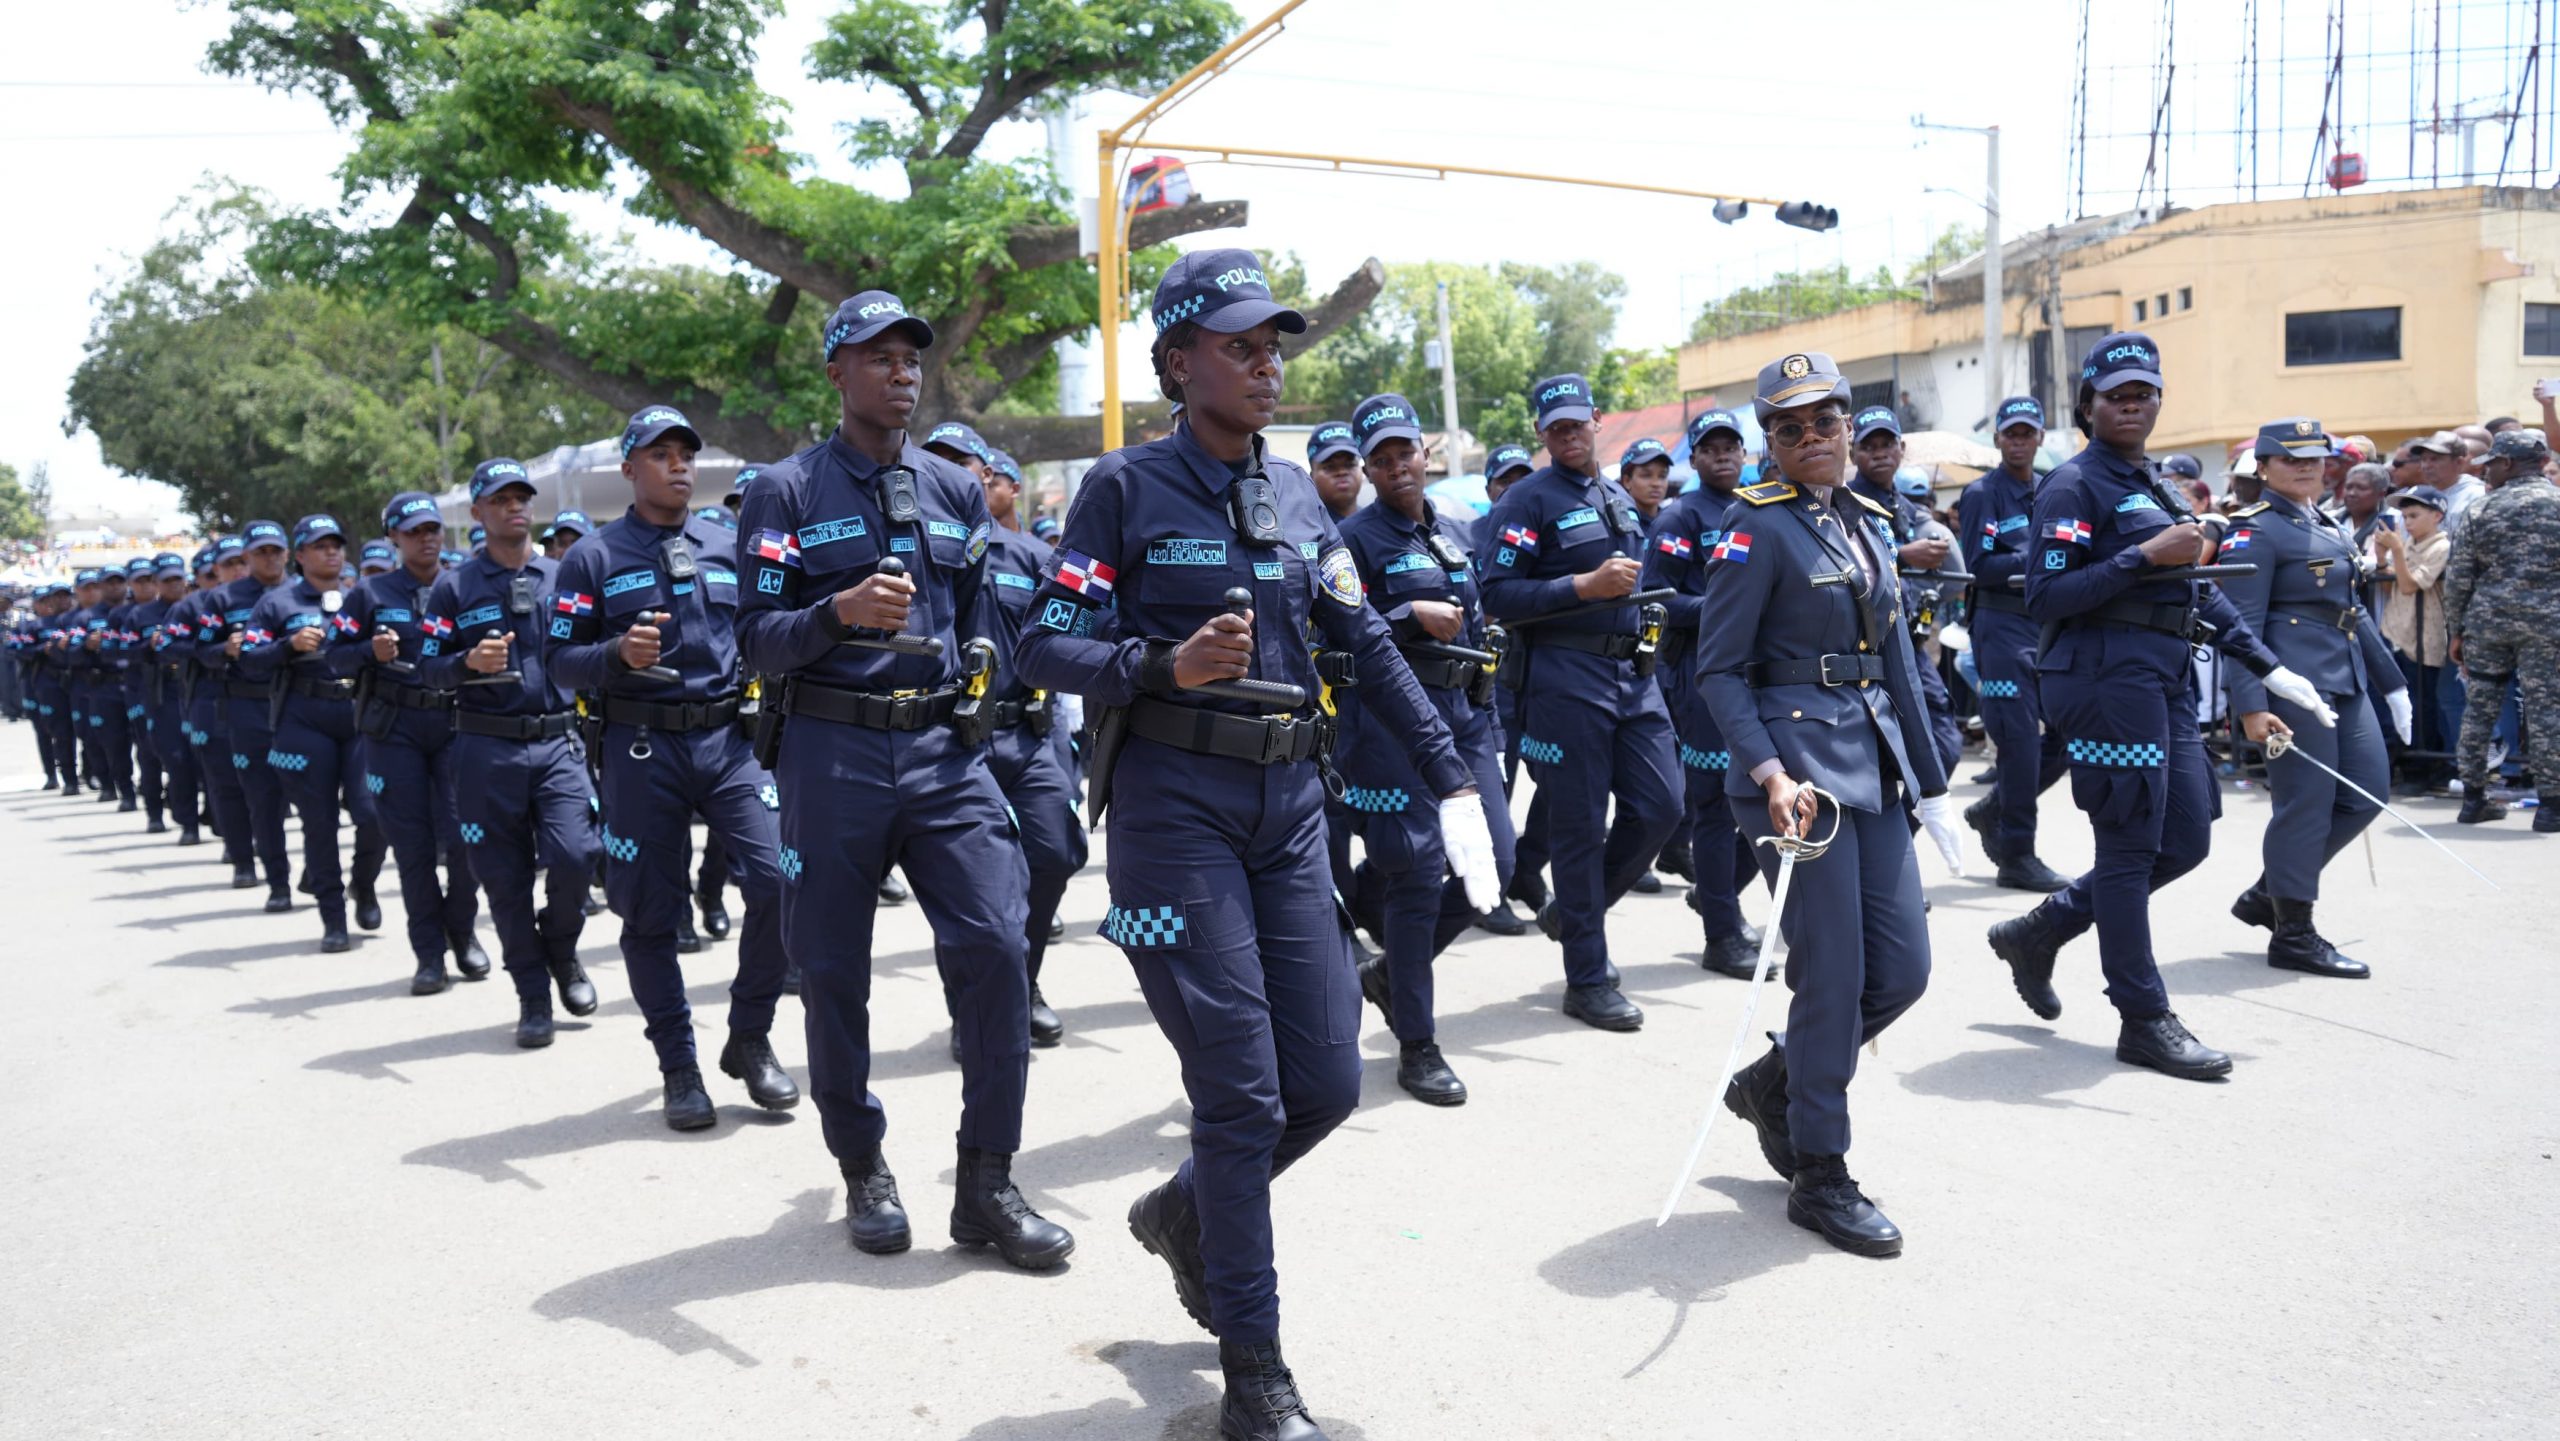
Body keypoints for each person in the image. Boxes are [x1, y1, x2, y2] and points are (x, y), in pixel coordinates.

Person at [1014, 250, 1493, 1441]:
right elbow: (1042, 646)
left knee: (1325, 1084)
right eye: (1241, 343)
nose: (1267, 361)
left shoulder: (1292, 492)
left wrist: (1453, 781)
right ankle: (1255, 1376)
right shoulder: (1122, 491)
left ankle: (1184, 1216)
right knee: (1240, 1094)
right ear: (1179, 362)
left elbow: (1368, 643)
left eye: (1274, 343)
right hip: (1175, 821)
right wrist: (1156, 664)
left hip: (1291, 818)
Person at [734, 288, 1072, 1271]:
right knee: (834, 975)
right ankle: (862, 1167)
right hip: (830, 755)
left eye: (910, 357)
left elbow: (977, 607)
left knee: (998, 946)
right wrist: (836, 611)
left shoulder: (956, 489)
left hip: (941, 753)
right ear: (836, 372)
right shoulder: (784, 492)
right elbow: (754, 642)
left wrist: (974, 670)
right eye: (877, 357)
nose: (901, 372)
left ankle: (987, 1182)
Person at [1985, 333, 2333, 1080]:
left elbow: (2197, 590)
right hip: (2107, 681)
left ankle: (2043, 928)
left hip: (2163, 676)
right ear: (2089, 406)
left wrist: (2267, 667)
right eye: (2118, 395)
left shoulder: (2148, 482)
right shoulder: (2074, 485)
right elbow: (2045, 594)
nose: (2134, 404)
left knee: (2187, 833)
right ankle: (2142, 1016)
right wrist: (2142, 555)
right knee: (2130, 848)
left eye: (2145, 393)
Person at [1694, 351, 1963, 1258]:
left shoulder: (1867, 521)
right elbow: (1718, 670)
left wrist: (1931, 786)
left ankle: (1776, 1080)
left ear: (1851, 426)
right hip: (1798, 781)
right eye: (1788, 426)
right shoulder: (1753, 528)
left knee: (1904, 970)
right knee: (1835, 972)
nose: (1810, 437)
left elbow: (1891, 662)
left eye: (1825, 421)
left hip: (1873, 764)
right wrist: (1769, 772)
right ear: (1770, 441)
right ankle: (1821, 1169)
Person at [545, 406, 799, 1129]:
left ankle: (749, 1036)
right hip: (639, 747)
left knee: (779, 881)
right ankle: (679, 1066)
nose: (679, 464)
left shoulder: (726, 542)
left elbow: (763, 629)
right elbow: (557, 661)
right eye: (660, 455)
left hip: (727, 743)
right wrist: (613, 657)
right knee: (652, 913)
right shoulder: (590, 558)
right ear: (629, 469)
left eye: (686, 452)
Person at [1480, 372, 1681, 1031]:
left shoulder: (1614, 496)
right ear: (1541, 434)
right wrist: (1579, 586)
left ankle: (1574, 910)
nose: (1570, 435)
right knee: (1577, 826)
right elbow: (1497, 596)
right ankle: (1587, 979)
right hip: (1566, 679)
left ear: (1598, 421)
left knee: (1661, 806)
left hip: (1633, 675)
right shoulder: (1528, 501)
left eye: (1578, 423)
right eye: (1556, 428)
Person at [1332, 390, 1516, 1105]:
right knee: (1414, 875)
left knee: (1492, 868)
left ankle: (1389, 975)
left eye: (1404, 450)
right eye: (1380, 457)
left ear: (1426, 453)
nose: (1395, 465)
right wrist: (1407, 613)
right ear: (1368, 469)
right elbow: (1336, 631)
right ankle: (1417, 1042)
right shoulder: (1353, 541)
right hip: (1391, 725)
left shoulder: (1457, 529)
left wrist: (1490, 724)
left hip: (1466, 721)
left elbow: (1481, 630)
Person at [2215, 420, 2409, 977]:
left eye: (2314, 459)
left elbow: (2349, 611)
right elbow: (2241, 628)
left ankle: (2269, 892)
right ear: (2266, 468)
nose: (2305, 468)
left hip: (2344, 678)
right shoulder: (2255, 530)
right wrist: (2251, 704)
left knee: (2368, 790)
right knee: (2305, 805)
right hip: (2292, 684)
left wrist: (2391, 682)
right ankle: (2294, 932)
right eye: (2290, 460)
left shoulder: (2324, 521)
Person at [421, 459, 603, 1047]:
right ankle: (532, 994)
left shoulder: (565, 574)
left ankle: (563, 950)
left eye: (522, 496)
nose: (514, 506)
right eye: (500, 500)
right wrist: (465, 664)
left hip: (558, 742)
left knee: (577, 856)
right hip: (485, 749)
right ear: (477, 513)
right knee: (504, 882)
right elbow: (426, 671)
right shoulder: (452, 586)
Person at [332, 491, 490, 993]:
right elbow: (333, 658)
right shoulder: (370, 593)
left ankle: (463, 931)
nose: (426, 539)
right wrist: (368, 651)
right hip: (394, 729)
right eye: (414, 532)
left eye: (432, 530)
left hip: (455, 724)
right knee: (414, 847)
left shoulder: (465, 584)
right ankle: (429, 954)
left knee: (467, 840)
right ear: (394, 538)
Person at [964, 424, 1086, 1050]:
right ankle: (976, 1008)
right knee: (974, 879)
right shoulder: (924, 561)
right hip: (956, 739)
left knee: (1056, 854)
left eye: (976, 469)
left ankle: (1024, 981)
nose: (967, 480)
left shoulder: (1034, 559)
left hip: (1028, 731)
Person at [1639, 407, 1766, 978]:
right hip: (1702, 676)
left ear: (1745, 452)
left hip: (1762, 675)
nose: (1722, 456)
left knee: (1765, 800)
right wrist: (1724, 608)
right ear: (1694, 457)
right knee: (1714, 809)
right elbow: (1656, 599)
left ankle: (1718, 897)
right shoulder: (1680, 518)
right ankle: (1722, 933)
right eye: (1710, 448)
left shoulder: (1759, 506)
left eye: (1730, 446)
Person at [236, 514, 389, 953]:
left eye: (337, 544)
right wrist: (287, 646)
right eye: (320, 546)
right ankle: (333, 917)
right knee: (318, 822)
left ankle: (364, 883)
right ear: (300, 556)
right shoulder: (277, 603)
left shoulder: (367, 597)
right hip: (304, 716)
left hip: (359, 714)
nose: (331, 552)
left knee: (373, 815)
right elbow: (248, 658)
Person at [1954, 396, 2072, 891]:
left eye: (2028, 433)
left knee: (2066, 737)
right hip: (2000, 630)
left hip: (2044, 627)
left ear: (2041, 437)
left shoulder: (2052, 489)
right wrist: (2035, 559)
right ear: (1998, 439)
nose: (2019, 442)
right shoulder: (1983, 493)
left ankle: (1994, 807)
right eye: (2011, 433)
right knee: (2020, 745)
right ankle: (2017, 854)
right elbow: (1977, 565)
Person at [2442, 428, 2560, 830]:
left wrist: (2455, 631)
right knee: (2547, 712)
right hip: (2549, 626)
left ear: (2508, 463)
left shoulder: (2482, 509)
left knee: (2479, 709)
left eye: (2491, 464)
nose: (2487, 471)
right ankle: (2551, 806)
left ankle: (2474, 798)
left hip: (2488, 625)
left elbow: (2458, 578)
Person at [1846, 407, 1965, 774]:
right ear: (1852, 453)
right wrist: (1902, 556)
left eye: (1887, 444)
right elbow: (1844, 567)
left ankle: (1906, 826)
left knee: (1942, 742)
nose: (1880, 453)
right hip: (1868, 646)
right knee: (1880, 752)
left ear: (1902, 448)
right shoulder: (1844, 504)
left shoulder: (1908, 507)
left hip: (1911, 639)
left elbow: (1955, 573)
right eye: (1869, 446)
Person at [198, 522, 298, 911]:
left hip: (300, 705)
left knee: (315, 799)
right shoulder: (222, 599)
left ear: (288, 554)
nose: (269, 558)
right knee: (262, 798)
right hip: (248, 705)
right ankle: (276, 880)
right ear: (247, 557)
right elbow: (201, 650)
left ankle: (319, 872)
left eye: (276, 551)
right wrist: (226, 648)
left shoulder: (306, 592)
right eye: (261, 552)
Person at [175, 539, 262, 885]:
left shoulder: (271, 597)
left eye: (241, 563)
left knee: (269, 786)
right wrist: (220, 649)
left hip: (268, 700)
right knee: (226, 782)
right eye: (225, 566)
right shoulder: (197, 605)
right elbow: (175, 644)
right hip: (212, 699)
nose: (236, 571)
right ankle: (241, 855)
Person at [2373, 485, 2459, 791]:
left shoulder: (2442, 546)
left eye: (2414, 515)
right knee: (2396, 704)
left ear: (2437, 516)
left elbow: (2411, 586)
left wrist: (2395, 549)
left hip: (2424, 639)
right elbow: (2392, 588)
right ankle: (2406, 764)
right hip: (2397, 632)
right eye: (2404, 516)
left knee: (2423, 707)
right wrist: (2383, 558)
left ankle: (2425, 769)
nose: (2407, 522)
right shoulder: (2407, 544)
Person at [132, 555, 199, 841]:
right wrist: (149, 645)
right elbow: (121, 653)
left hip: (197, 688)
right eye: (167, 580)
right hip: (163, 692)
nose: (174, 584)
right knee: (175, 758)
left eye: (178, 578)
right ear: (156, 582)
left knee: (206, 761)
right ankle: (188, 823)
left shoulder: (200, 608)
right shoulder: (140, 615)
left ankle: (213, 816)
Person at [1306, 420, 1362, 521]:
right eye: (1330, 467)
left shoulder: (1377, 525)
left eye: (1350, 465)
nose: (1342, 472)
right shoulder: (1306, 529)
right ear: (1312, 477)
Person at [1618, 436, 1672, 524]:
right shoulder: (1621, 525)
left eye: (1662, 476)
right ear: (1627, 481)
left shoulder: (1674, 522)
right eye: (1646, 475)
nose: (1656, 483)